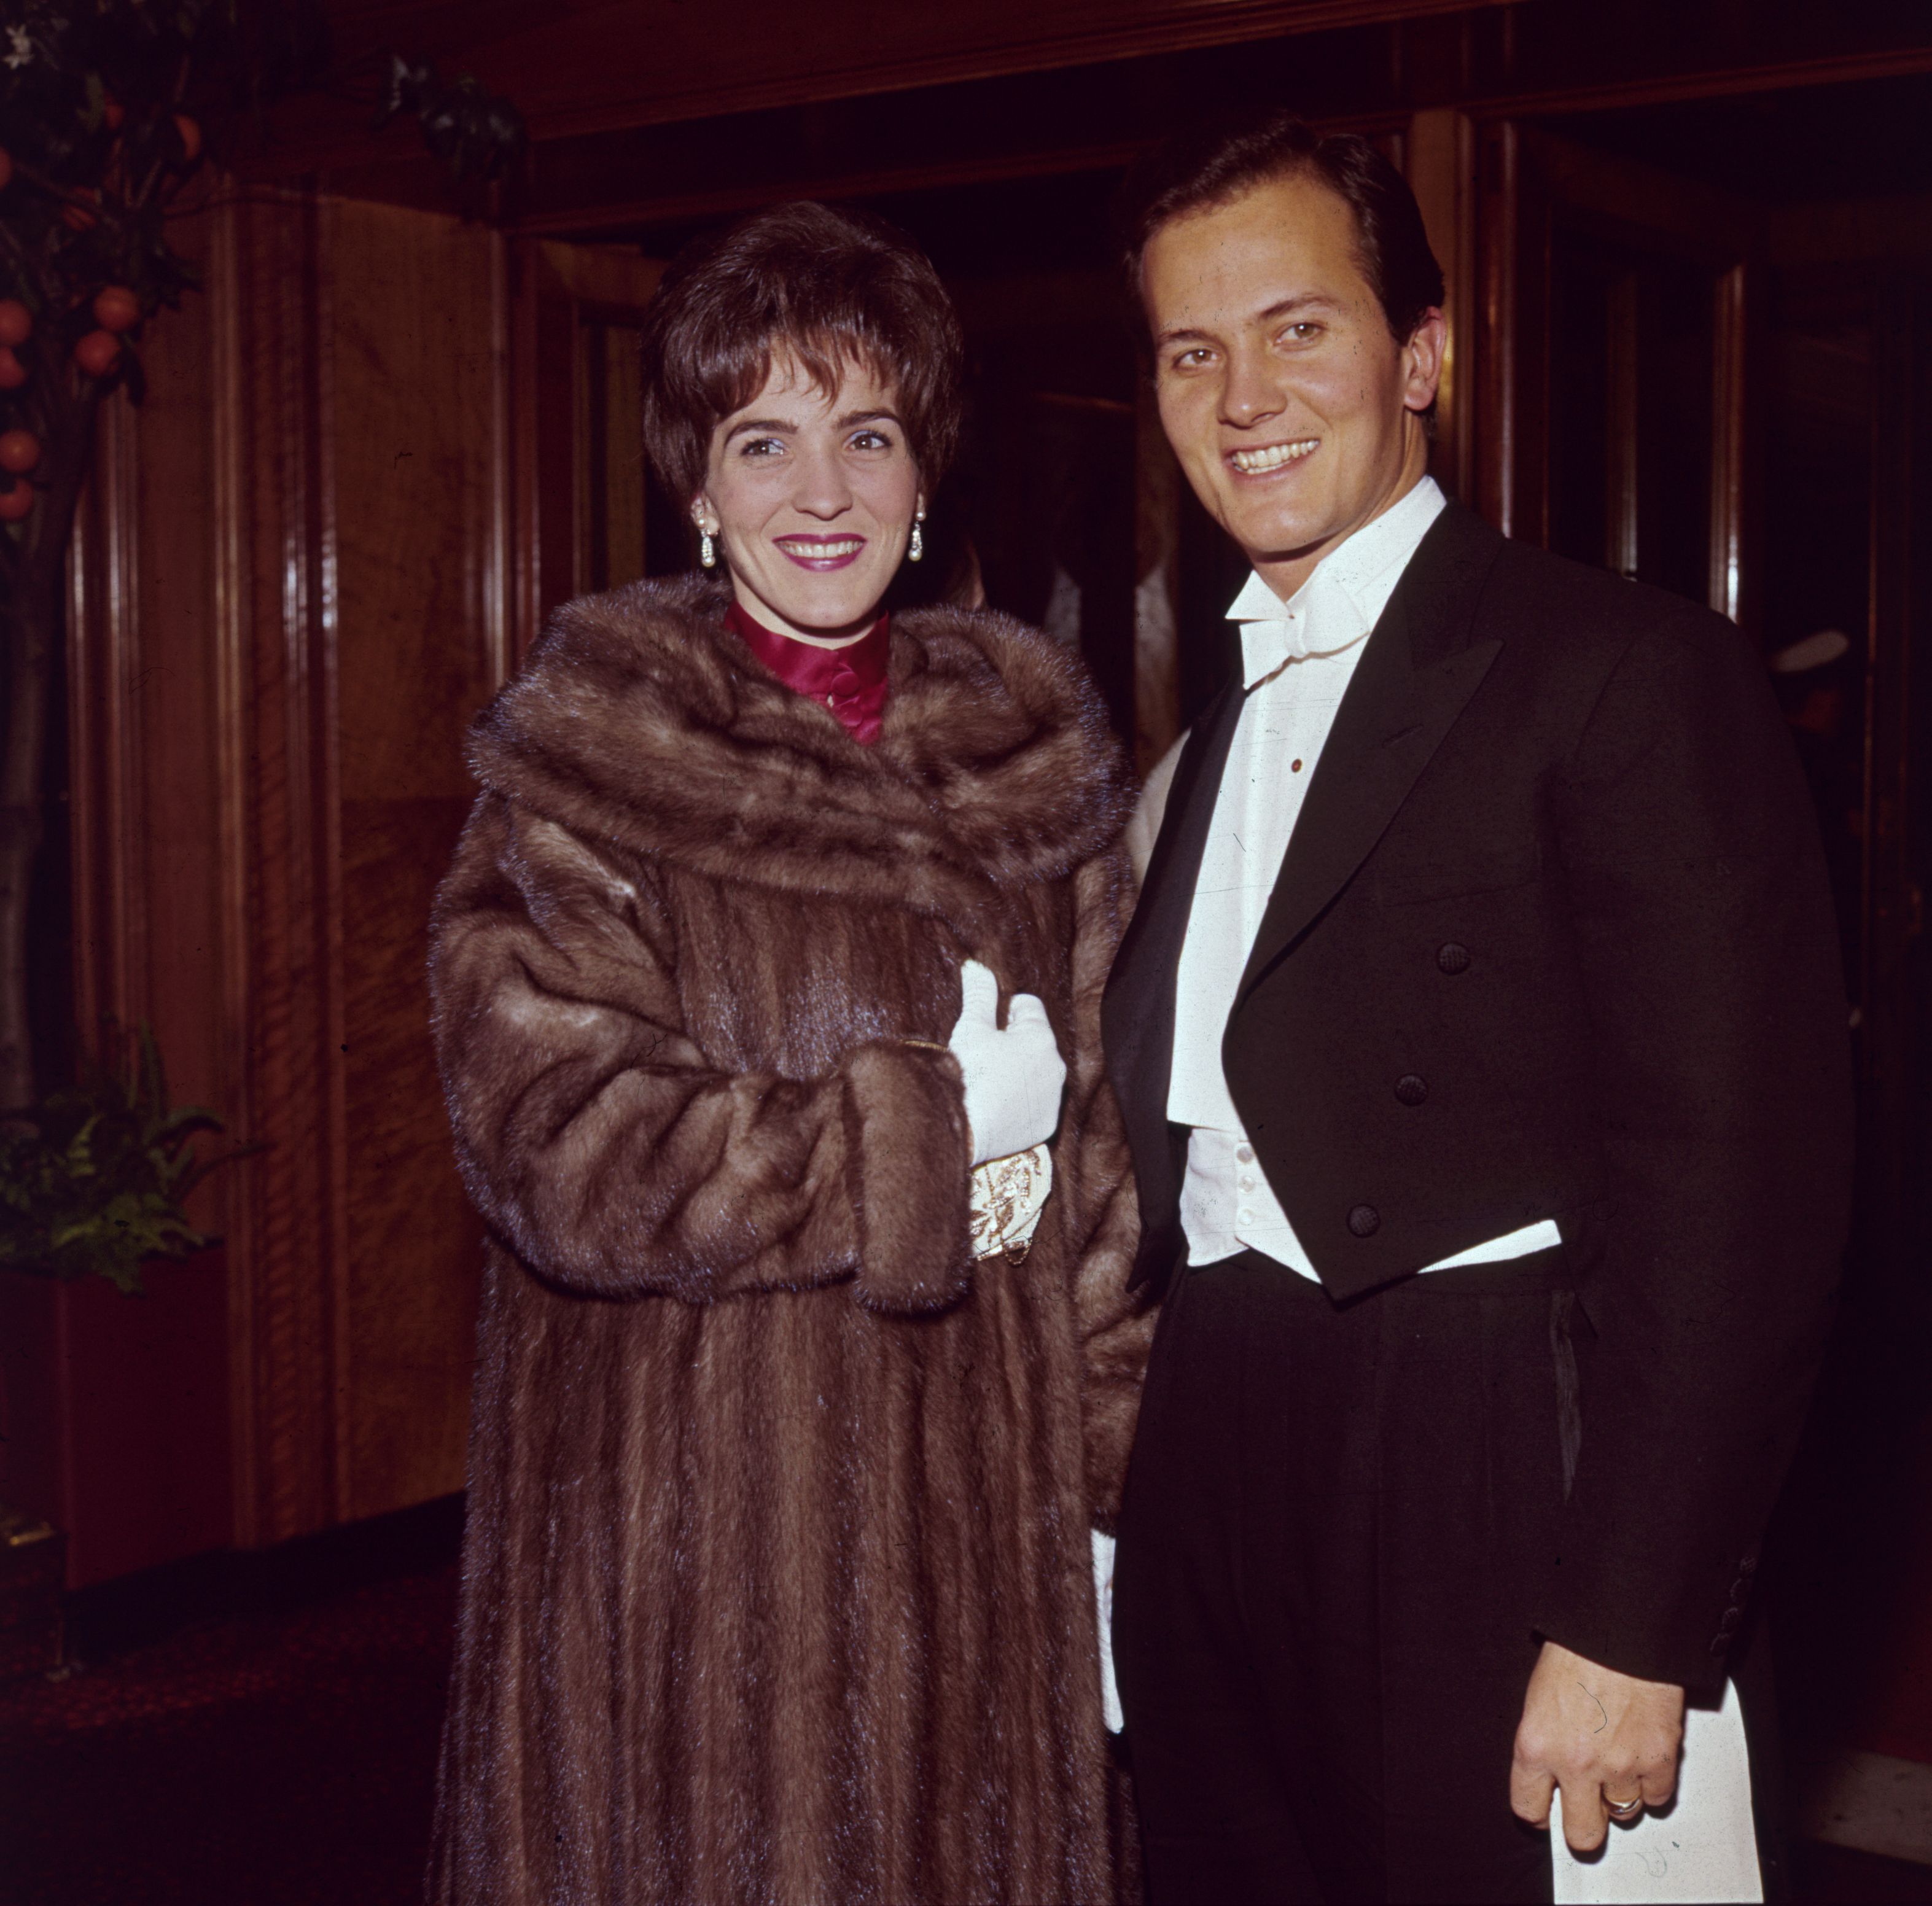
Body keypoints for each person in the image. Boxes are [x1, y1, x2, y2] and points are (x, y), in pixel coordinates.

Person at [1101, 111, 1853, 1904]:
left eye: (1298, 328)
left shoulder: (1620, 671)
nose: (1242, 393)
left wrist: (1634, 1619)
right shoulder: (1204, 728)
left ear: (1420, 356)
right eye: (1190, 352)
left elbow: (1739, 1195)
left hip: (1482, 1447)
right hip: (1218, 1427)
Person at [426, 200, 1148, 1906]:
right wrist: (924, 1133)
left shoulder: (1038, 779)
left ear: (920, 482)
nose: (818, 495)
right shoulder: (589, 764)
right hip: (684, 1551)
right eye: (764, 442)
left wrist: (1115, 1511)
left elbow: (1105, 1200)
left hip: (982, 1540)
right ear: (697, 487)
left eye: (864, 435)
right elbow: (565, 1141)